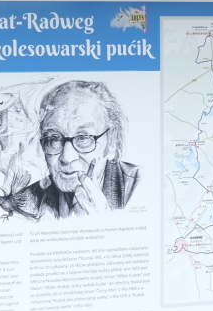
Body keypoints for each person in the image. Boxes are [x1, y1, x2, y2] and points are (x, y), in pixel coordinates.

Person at [25, 80, 139, 218]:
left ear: (112, 141)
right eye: (53, 138)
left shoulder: (141, 186)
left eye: (83, 138)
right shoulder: (24, 204)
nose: (67, 158)